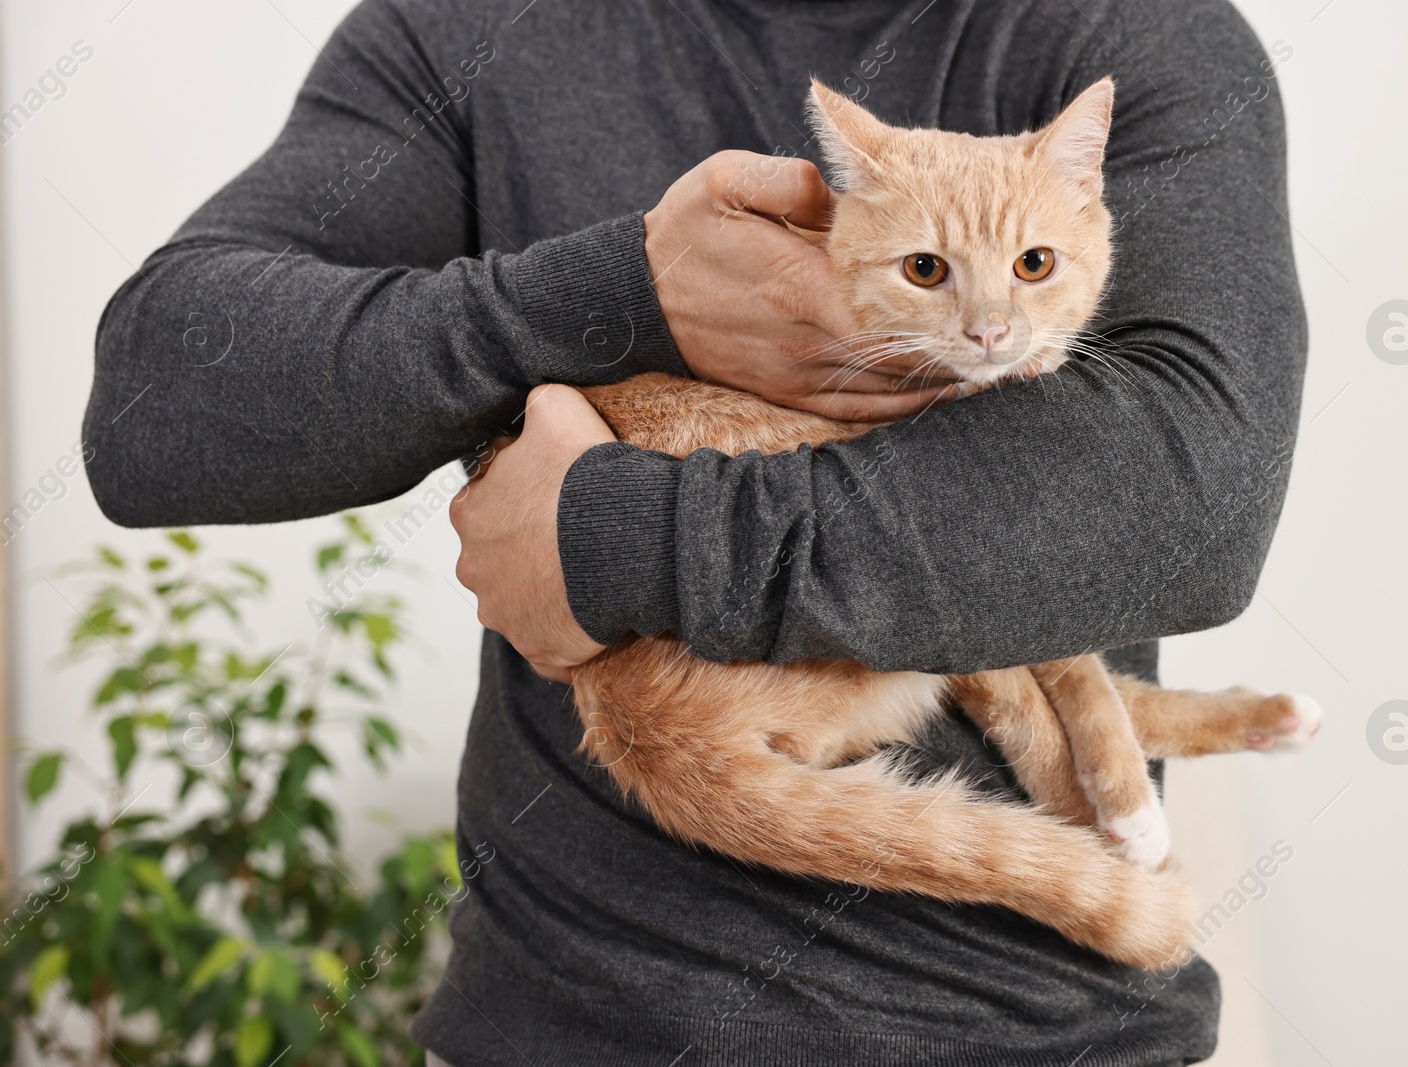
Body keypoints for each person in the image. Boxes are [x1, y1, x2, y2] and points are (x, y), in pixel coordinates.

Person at [84, 0, 1306, 1062]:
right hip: (571, 1019)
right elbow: (151, 404)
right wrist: (619, 293)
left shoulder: (1129, 29)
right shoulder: (463, 30)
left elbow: (1201, 499)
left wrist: (607, 537)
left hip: (1046, 1027)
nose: (988, 320)